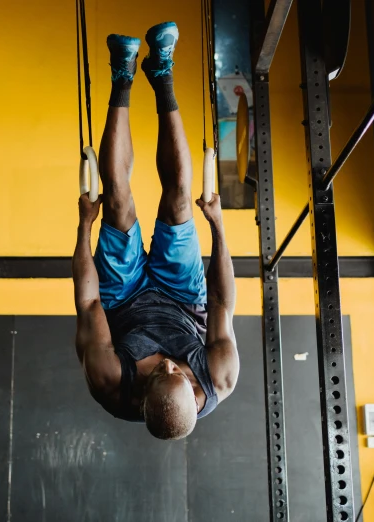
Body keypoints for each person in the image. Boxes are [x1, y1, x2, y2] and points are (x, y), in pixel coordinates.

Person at [72, 22, 238, 440]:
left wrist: (84, 227)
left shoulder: (111, 380)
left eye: (159, 372)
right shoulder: (218, 376)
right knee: (181, 197)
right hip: (183, 296)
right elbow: (220, 299)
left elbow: (89, 303)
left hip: (121, 299)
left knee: (117, 201)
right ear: (194, 391)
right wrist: (217, 226)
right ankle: (162, 73)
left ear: (143, 395)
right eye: (176, 372)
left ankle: (121, 75)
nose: (168, 363)